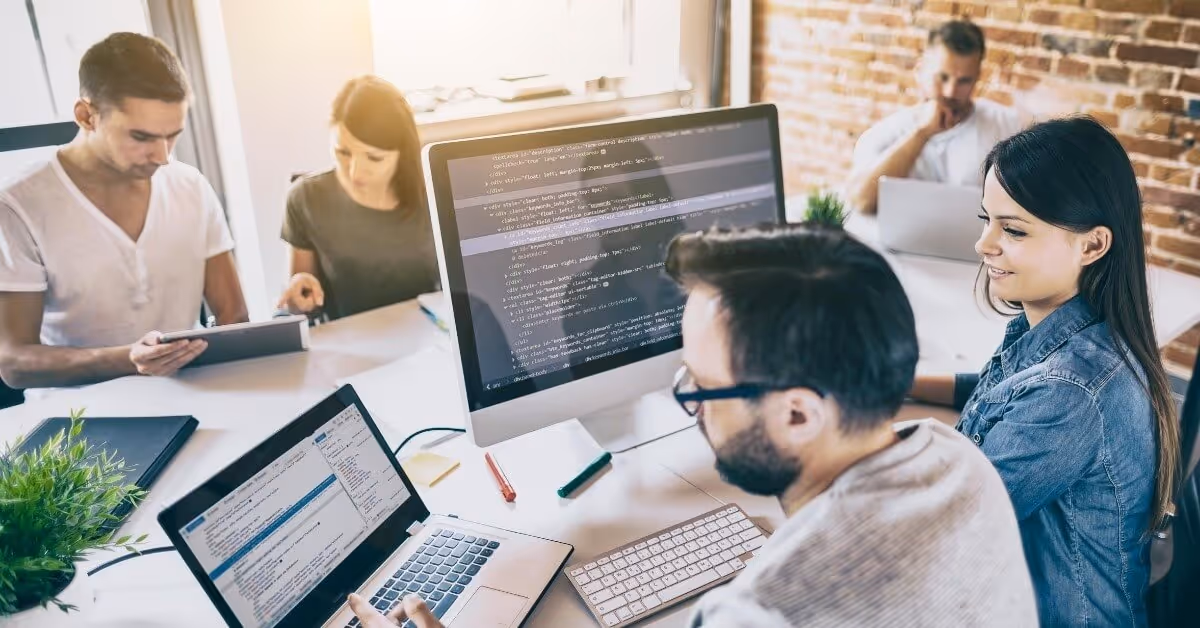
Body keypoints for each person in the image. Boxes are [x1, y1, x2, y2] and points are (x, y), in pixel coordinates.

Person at [348, 223, 1039, 627]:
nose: (688, 403)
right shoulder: (958, 460)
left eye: (703, 386)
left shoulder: (760, 612)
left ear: (799, 412)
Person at [910, 116, 1179, 626]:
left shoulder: (1070, 392)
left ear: (1092, 245)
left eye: (1012, 230)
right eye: (987, 219)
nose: (984, 244)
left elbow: (937, 528)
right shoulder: (1075, 332)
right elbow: (1003, 392)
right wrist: (903, 383)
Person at [0, 32, 247, 391]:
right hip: (81, 416)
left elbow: (234, 316)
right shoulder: (18, 205)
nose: (163, 156)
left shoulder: (190, 185)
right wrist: (129, 360)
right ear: (86, 116)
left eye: (172, 135)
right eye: (141, 137)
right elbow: (13, 363)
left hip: (193, 397)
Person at [277, 75, 439, 321]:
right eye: (343, 152)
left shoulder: (435, 192)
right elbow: (303, 308)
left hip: (430, 332)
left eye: (374, 158)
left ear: (403, 153)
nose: (355, 172)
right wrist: (298, 297)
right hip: (348, 339)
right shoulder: (306, 199)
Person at [845, 20, 1024, 214]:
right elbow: (862, 201)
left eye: (964, 81)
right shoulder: (887, 132)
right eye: (942, 77)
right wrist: (922, 133)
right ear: (920, 71)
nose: (950, 91)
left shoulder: (1006, 125)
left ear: (977, 77)